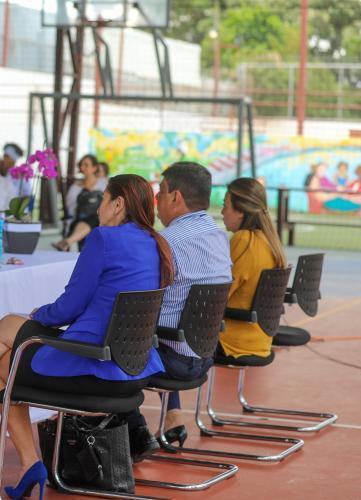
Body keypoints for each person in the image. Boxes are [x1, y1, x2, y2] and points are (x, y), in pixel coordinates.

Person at [0, 174, 173, 499]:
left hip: (96, 365)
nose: (98, 210)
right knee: (9, 349)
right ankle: (18, 457)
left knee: (8, 345)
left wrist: (38, 314)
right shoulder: (154, 242)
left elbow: (69, 307)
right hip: (131, 367)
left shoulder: (104, 239)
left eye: (103, 200)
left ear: (118, 204)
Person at [125, 161, 232, 459]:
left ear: (176, 197)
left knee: (115, 339)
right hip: (204, 353)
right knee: (157, 329)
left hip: (174, 357)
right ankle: (173, 414)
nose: (156, 200)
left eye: (161, 192)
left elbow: (137, 302)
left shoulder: (166, 242)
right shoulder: (219, 238)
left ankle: (134, 429)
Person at [219, 177, 287, 358]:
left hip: (231, 341)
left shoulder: (244, 240)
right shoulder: (269, 241)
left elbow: (220, 294)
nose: (222, 212)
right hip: (259, 340)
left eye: (225, 205)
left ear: (240, 211)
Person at [52, 154, 108, 251]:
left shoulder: (103, 185)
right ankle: (67, 242)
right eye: (81, 165)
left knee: (94, 218)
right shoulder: (75, 187)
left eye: (86, 165)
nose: (82, 167)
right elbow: (71, 209)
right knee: (89, 219)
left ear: (94, 168)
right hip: (78, 219)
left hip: (99, 220)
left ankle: (67, 241)